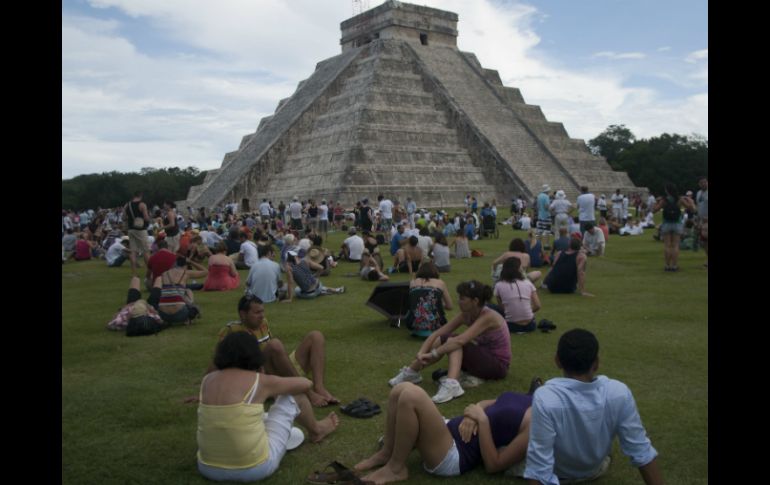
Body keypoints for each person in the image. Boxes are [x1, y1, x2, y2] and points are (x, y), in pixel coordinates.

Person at [524, 329, 663, 485]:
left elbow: (538, 465)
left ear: (557, 361)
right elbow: (640, 449)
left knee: (523, 425)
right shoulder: (618, 392)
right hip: (593, 469)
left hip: (559, 471)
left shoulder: (546, 397)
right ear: (596, 363)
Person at [196, 332, 323, 482]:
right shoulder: (258, 381)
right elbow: (305, 383)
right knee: (293, 396)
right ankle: (317, 431)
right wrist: (265, 377)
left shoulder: (207, 380)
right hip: (254, 469)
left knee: (242, 416)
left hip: (207, 467)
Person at [354, 383, 532, 484]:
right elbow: (489, 402)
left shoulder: (536, 423)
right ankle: (387, 452)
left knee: (411, 396)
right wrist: (475, 413)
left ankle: (396, 468)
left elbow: (494, 465)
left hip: (455, 454)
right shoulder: (533, 397)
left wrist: (483, 421)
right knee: (399, 390)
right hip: (450, 429)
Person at [203, 295, 342, 411]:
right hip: (261, 377)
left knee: (316, 336)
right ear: (243, 314)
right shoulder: (232, 331)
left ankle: (319, 387)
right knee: (274, 344)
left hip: (278, 368)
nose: (261, 316)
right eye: (257, 313)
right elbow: (217, 359)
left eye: (262, 311)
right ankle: (308, 393)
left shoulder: (263, 323)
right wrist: (204, 390)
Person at [388, 281, 511, 404]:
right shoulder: (466, 315)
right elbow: (438, 333)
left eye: (462, 298)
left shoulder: (488, 316)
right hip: (483, 358)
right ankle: (412, 371)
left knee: (454, 341)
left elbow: (460, 341)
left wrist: (432, 354)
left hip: (498, 366)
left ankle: (452, 385)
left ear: (475, 301)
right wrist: (421, 352)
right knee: (447, 338)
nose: (458, 301)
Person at [653, 183, 696, 272]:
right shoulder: (679, 199)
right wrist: (691, 201)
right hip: (677, 223)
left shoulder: (664, 200)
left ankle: (667, 265)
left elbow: (654, 210)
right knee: (675, 245)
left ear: (667, 190)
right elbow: (691, 209)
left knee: (667, 245)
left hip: (666, 223)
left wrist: (657, 202)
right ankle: (674, 265)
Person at [404, 262, 453, 338]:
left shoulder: (412, 283)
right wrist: (437, 303)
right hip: (437, 325)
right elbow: (450, 306)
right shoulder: (440, 283)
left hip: (413, 324)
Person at [494, 257, 541, 334]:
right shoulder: (528, 283)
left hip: (511, 326)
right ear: (519, 269)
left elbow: (502, 308)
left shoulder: (499, 285)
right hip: (530, 326)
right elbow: (537, 306)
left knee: (490, 307)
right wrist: (527, 312)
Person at [157, 255, 208, 325]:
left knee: (181, 293)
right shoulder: (185, 273)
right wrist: (191, 262)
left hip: (163, 315)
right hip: (180, 314)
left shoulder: (165, 273)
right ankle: (188, 318)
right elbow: (205, 271)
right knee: (189, 292)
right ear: (185, 266)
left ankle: (169, 319)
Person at [124, 191, 152, 275]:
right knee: (146, 251)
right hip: (140, 229)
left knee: (133, 251)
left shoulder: (127, 205)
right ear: (141, 196)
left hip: (131, 229)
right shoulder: (142, 205)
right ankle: (150, 271)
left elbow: (123, 217)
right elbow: (146, 218)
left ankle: (134, 273)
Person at [695, 177, 708, 268]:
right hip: (701, 219)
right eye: (701, 183)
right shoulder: (698, 193)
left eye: (705, 182)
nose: (703, 184)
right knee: (703, 242)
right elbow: (698, 206)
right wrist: (697, 219)